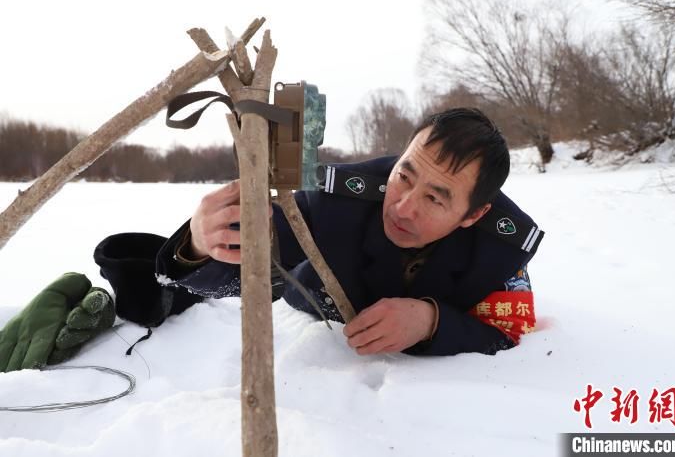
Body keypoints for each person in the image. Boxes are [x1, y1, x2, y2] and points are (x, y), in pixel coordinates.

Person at [156, 108, 544, 356]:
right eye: (404, 176)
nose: (404, 207)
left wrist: (430, 321)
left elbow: (508, 330)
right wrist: (200, 243)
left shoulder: (500, 247)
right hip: (311, 295)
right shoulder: (337, 203)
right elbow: (254, 258)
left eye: (435, 199)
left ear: (474, 214)